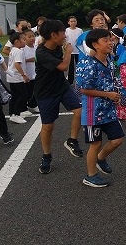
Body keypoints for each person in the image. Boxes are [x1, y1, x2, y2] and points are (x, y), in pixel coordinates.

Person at [75, 28, 125, 187]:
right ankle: (91, 175)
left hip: (108, 110)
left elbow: (111, 81)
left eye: (110, 39)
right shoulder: (90, 64)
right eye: (106, 40)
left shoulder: (109, 60)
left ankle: (100, 158)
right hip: (92, 112)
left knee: (117, 140)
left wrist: (115, 94)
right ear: (95, 45)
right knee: (95, 144)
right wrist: (107, 95)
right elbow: (83, 90)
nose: (110, 43)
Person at [35, 20, 84, 174]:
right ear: (53, 35)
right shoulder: (41, 52)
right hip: (46, 92)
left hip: (62, 87)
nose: (65, 35)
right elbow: (63, 67)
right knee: (48, 126)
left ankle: (72, 141)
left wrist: (64, 49)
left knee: (79, 111)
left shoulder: (57, 46)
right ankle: (46, 156)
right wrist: (68, 51)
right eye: (62, 32)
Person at [6, 31, 30, 124]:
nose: (25, 41)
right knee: (22, 95)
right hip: (17, 77)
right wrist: (24, 75)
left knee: (15, 96)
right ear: (17, 42)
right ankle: (16, 114)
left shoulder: (13, 50)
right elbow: (17, 64)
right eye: (23, 40)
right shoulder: (18, 51)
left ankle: (12, 113)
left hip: (12, 77)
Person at [65, 16, 83, 84]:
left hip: (78, 51)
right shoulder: (66, 30)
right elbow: (64, 40)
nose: (73, 22)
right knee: (71, 67)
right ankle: (70, 81)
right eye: (71, 21)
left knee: (79, 66)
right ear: (68, 22)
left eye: (74, 21)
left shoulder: (80, 30)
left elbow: (82, 40)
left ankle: (80, 80)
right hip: (70, 52)